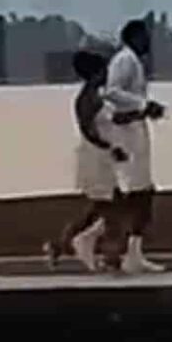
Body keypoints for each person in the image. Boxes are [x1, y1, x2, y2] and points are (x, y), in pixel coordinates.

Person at [44, 49, 129, 272]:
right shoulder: (86, 99)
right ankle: (111, 256)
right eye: (105, 70)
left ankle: (61, 245)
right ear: (96, 73)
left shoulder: (96, 96)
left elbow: (108, 121)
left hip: (102, 157)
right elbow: (88, 130)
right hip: (96, 158)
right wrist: (109, 147)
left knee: (98, 209)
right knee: (112, 210)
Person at [103, 19, 168, 273]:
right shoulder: (125, 60)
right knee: (139, 194)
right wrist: (143, 105)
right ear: (133, 37)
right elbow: (111, 91)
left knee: (142, 193)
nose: (148, 41)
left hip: (135, 130)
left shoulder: (134, 62)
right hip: (127, 135)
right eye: (144, 36)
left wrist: (146, 109)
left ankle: (131, 251)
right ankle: (125, 252)